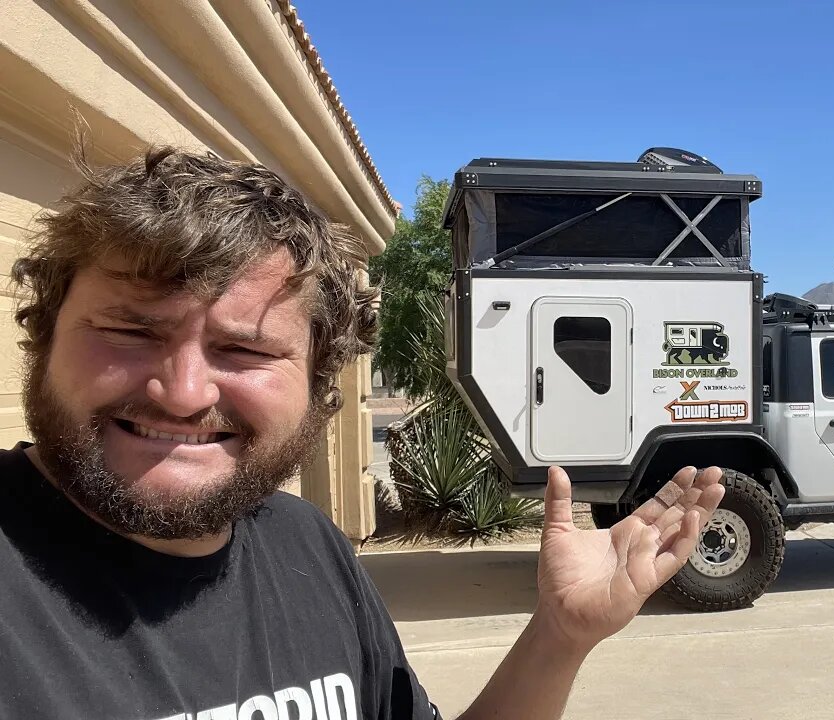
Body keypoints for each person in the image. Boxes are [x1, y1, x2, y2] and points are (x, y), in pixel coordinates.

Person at [0, 145, 725, 719]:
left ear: (319, 385)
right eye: (130, 330)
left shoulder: (306, 544)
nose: (184, 394)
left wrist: (559, 637)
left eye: (245, 350)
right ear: (45, 336)